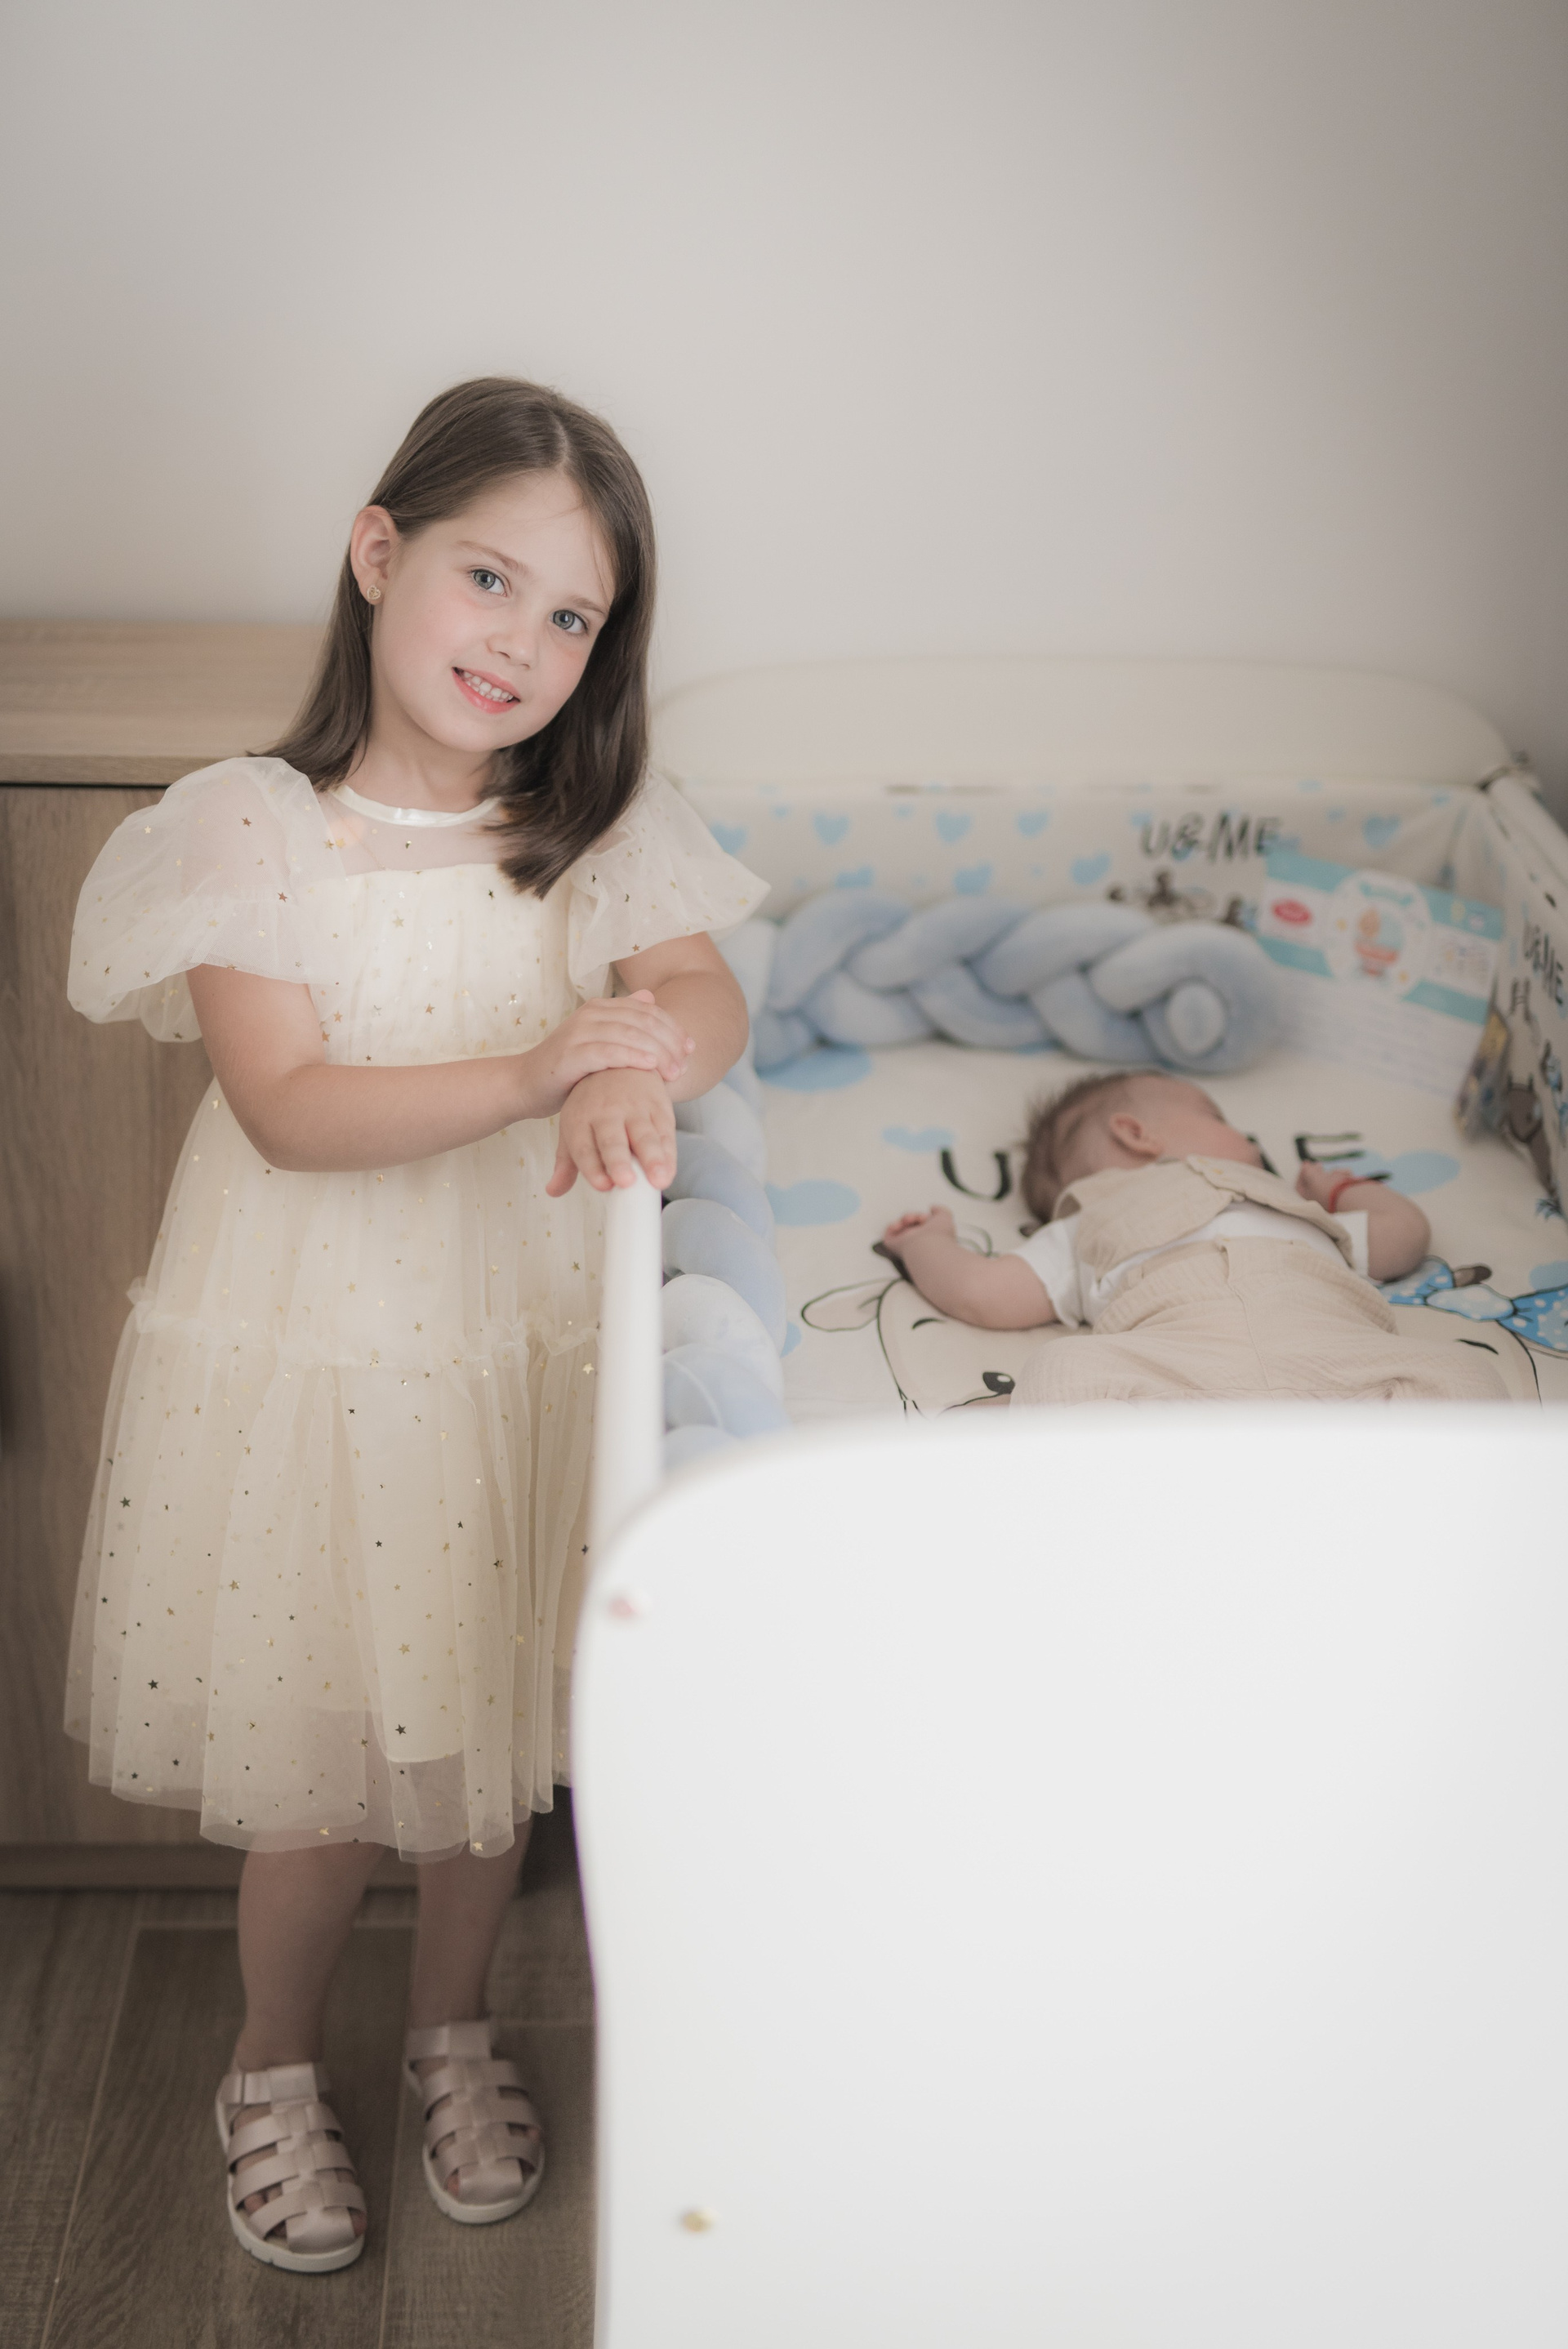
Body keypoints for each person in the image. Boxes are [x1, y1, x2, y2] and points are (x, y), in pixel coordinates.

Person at [65, 377, 763, 2272]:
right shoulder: (252, 828)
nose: (522, 642)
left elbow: (703, 992)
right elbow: (291, 1105)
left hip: (516, 1344)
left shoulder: (590, 821)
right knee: (318, 1773)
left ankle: (455, 2025)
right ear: (379, 555)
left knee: (485, 1743)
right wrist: (545, 1065)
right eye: (488, 578)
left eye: (573, 614)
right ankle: (273, 2061)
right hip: (322, 1354)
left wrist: (642, 1054)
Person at [878, 1068, 1506, 1404]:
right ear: (1137, 1133)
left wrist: (1341, 1190)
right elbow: (982, 1292)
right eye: (1217, 1117)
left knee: (1462, 1372)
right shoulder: (1085, 1222)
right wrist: (926, 1243)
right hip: (1177, 1372)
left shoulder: (1290, 1206)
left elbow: (1402, 1235)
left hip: (1342, 1358)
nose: (1250, 1141)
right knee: (1061, 1370)